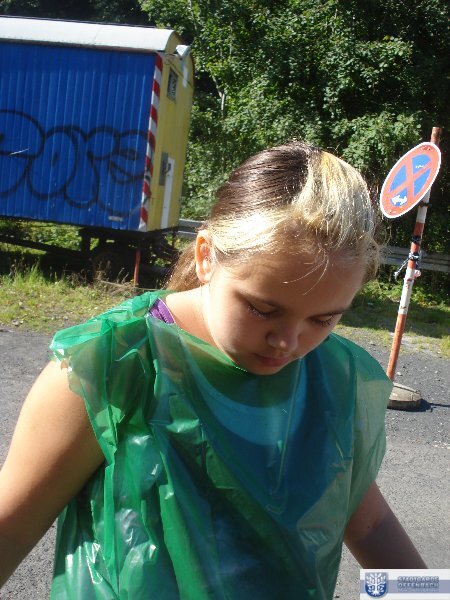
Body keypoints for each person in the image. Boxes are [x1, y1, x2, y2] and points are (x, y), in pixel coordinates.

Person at [0, 141, 426, 599]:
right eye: (263, 309)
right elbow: (13, 528)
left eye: (323, 319)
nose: (288, 342)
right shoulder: (112, 365)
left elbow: (368, 523)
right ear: (206, 257)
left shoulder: (332, 378)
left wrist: (424, 594)